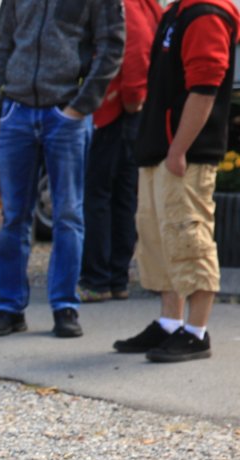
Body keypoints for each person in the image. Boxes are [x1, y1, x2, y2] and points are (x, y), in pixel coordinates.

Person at [0, 0, 124, 340]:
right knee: (13, 217)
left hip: (66, 113)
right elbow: (2, 45)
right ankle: (9, 308)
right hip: (17, 111)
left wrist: (80, 106)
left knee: (68, 215)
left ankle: (64, 306)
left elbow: (112, 46)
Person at [113, 0, 238, 363]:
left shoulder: (206, 13)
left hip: (185, 154)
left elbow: (205, 88)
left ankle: (197, 332)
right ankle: (170, 323)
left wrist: (179, 149)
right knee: (158, 239)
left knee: (189, 238)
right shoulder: (176, 12)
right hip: (160, 150)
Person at [79, 0, 162, 305]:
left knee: (100, 195)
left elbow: (136, 49)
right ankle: (116, 278)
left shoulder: (124, 5)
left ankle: (98, 279)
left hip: (114, 110)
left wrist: (132, 97)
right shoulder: (144, 4)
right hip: (126, 110)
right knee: (123, 196)